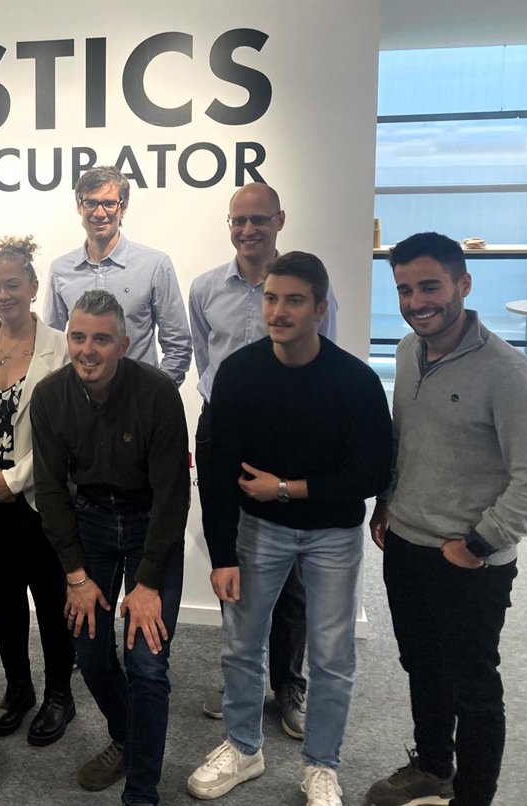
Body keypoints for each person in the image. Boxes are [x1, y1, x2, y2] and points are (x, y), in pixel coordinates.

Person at [365, 232, 527, 806]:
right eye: (404, 290)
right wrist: (388, 502)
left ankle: (473, 797)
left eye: (430, 286)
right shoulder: (409, 349)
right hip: (406, 544)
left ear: (463, 284)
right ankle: (432, 766)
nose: (416, 302)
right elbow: (406, 440)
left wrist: (479, 543)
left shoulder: (510, 373)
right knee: (421, 666)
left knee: (472, 685)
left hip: (469, 561)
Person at [188, 252, 392, 806]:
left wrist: (287, 488)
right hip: (258, 529)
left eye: (294, 301)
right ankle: (243, 747)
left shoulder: (355, 380)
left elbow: (372, 473)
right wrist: (222, 555)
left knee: (332, 656)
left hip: (333, 534)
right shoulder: (239, 373)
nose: (278, 311)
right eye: (271, 298)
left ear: (321, 308)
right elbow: (217, 469)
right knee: (241, 644)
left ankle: (322, 766)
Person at [189, 182, 340, 738]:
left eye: (259, 219)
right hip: (223, 433)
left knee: (294, 568)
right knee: (230, 557)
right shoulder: (205, 288)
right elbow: (205, 358)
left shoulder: (308, 290)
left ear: (280, 220)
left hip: (289, 436)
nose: (248, 230)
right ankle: (241, 678)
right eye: (239, 220)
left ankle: (289, 683)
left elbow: (326, 362)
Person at [32, 290, 189, 806]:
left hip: (150, 525)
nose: (87, 350)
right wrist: (75, 577)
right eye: (78, 337)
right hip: (92, 522)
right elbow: (50, 491)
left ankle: (141, 793)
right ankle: (127, 737)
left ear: (124, 344)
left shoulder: (159, 393)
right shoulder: (50, 396)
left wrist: (148, 584)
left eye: (101, 339)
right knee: (90, 651)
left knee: (147, 662)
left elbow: (173, 496)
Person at [0, 236, 75, 745]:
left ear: (33, 286)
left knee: (51, 599)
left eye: (11, 285)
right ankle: (19, 687)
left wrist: (15, 478)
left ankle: (59, 694)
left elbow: (64, 431)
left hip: (40, 496)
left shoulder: (60, 346)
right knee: (4, 598)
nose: (2, 295)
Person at [44, 166, 191, 385]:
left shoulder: (154, 265)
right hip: (79, 401)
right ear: (79, 206)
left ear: (123, 207)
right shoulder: (60, 270)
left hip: (139, 398)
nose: (99, 213)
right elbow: (52, 347)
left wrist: (156, 396)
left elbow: (178, 345)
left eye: (109, 203)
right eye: (90, 203)